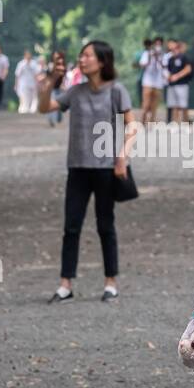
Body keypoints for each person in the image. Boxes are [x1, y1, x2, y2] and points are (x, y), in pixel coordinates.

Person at [37, 40, 137, 303]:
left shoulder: (117, 91)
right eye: (81, 56)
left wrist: (122, 156)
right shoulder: (75, 91)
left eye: (88, 56)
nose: (82, 60)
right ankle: (65, 284)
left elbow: (132, 126)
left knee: (106, 226)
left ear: (102, 61)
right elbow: (44, 108)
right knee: (71, 227)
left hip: (106, 169)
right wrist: (52, 80)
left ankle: (111, 282)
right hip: (77, 168)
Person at [138, 36, 167, 122]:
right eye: (156, 44)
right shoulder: (147, 53)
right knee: (146, 104)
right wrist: (150, 57)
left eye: (160, 44)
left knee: (155, 105)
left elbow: (164, 66)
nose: (158, 46)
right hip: (147, 82)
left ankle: (151, 122)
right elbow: (142, 65)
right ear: (153, 45)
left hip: (158, 83)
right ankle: (143, 121)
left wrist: (158, 57)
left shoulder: (163, 55)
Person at [165, 40, 193, 123]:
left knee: (183, 106)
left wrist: (177, 76)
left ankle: (186, 122)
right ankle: (175, 123)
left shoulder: (184, 57)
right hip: (172, 85)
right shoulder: (170, 59)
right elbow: (168, 71)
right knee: (174, 106)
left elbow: (188, 69)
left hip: (182, 84)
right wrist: (169, 77)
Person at [14, 49, 39, 113]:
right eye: (27, 55)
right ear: (24, 56)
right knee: (25, 97)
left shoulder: (34, 63)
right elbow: (17, 75)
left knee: (33, 97)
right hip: (24, 83)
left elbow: (37, 74)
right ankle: (25, 108)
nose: (28, 56)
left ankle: (33, 108)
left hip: (33, 83)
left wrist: (37, 83)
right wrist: (16, 84)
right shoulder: (21, 64)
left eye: (29, 55)